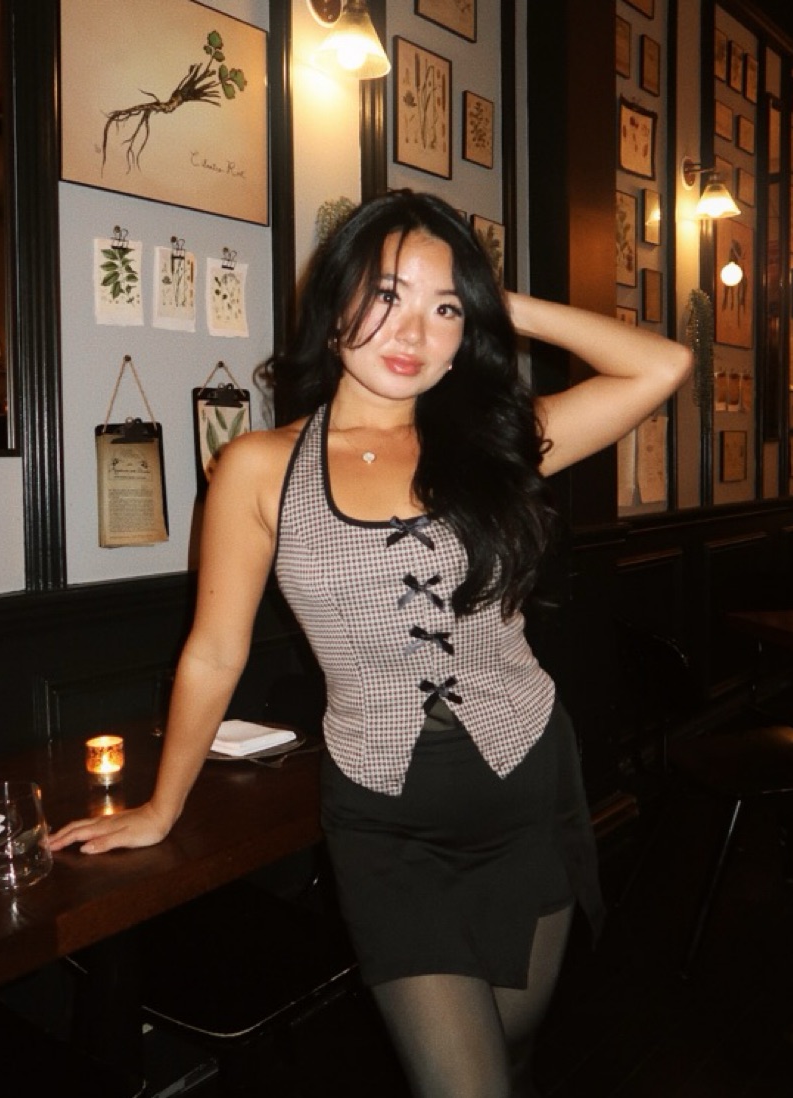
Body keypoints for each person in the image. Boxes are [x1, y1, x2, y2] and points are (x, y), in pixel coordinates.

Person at [50, 190, 692, 1097]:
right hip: (387, 823)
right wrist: (163, 807)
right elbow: (214, 653)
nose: (414, 332)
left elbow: (663, 364)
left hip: (527, 787)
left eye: (444, 309)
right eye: (388, 294)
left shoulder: (498, 444)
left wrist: (497, 301)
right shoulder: (260, 467)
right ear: (336, 300)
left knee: (513, 1052)